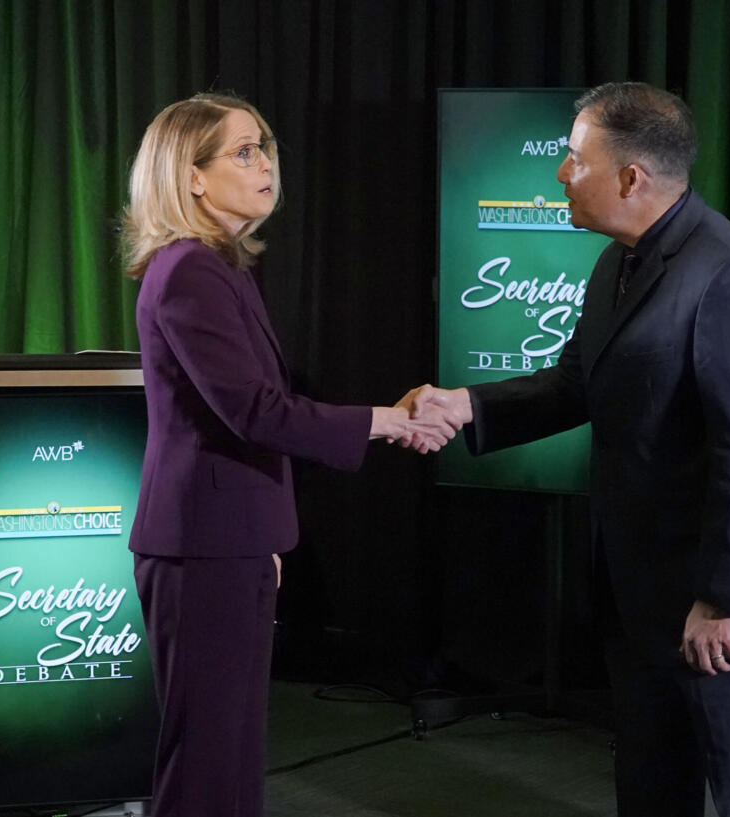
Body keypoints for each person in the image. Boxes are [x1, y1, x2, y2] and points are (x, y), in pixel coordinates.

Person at [403, 82, 730, 817]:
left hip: (726, 610)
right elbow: (578, 383)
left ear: (633, 178)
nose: (560, 174)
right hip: (641, 597)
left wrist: (720, 599)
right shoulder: (616, 262)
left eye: (573, 159)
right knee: (651, 789)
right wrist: (466, 405)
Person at [121, 92, 455, 817]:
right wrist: (390, 422)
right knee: (207, 764)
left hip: (228, 542)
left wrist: (261, 535)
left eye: (266, 146)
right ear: (193, 177)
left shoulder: (221, 268)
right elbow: (253, 411)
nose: (266, 162)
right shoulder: (187, 272)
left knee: (231, 760)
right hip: (202, 547)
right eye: (244, 151)